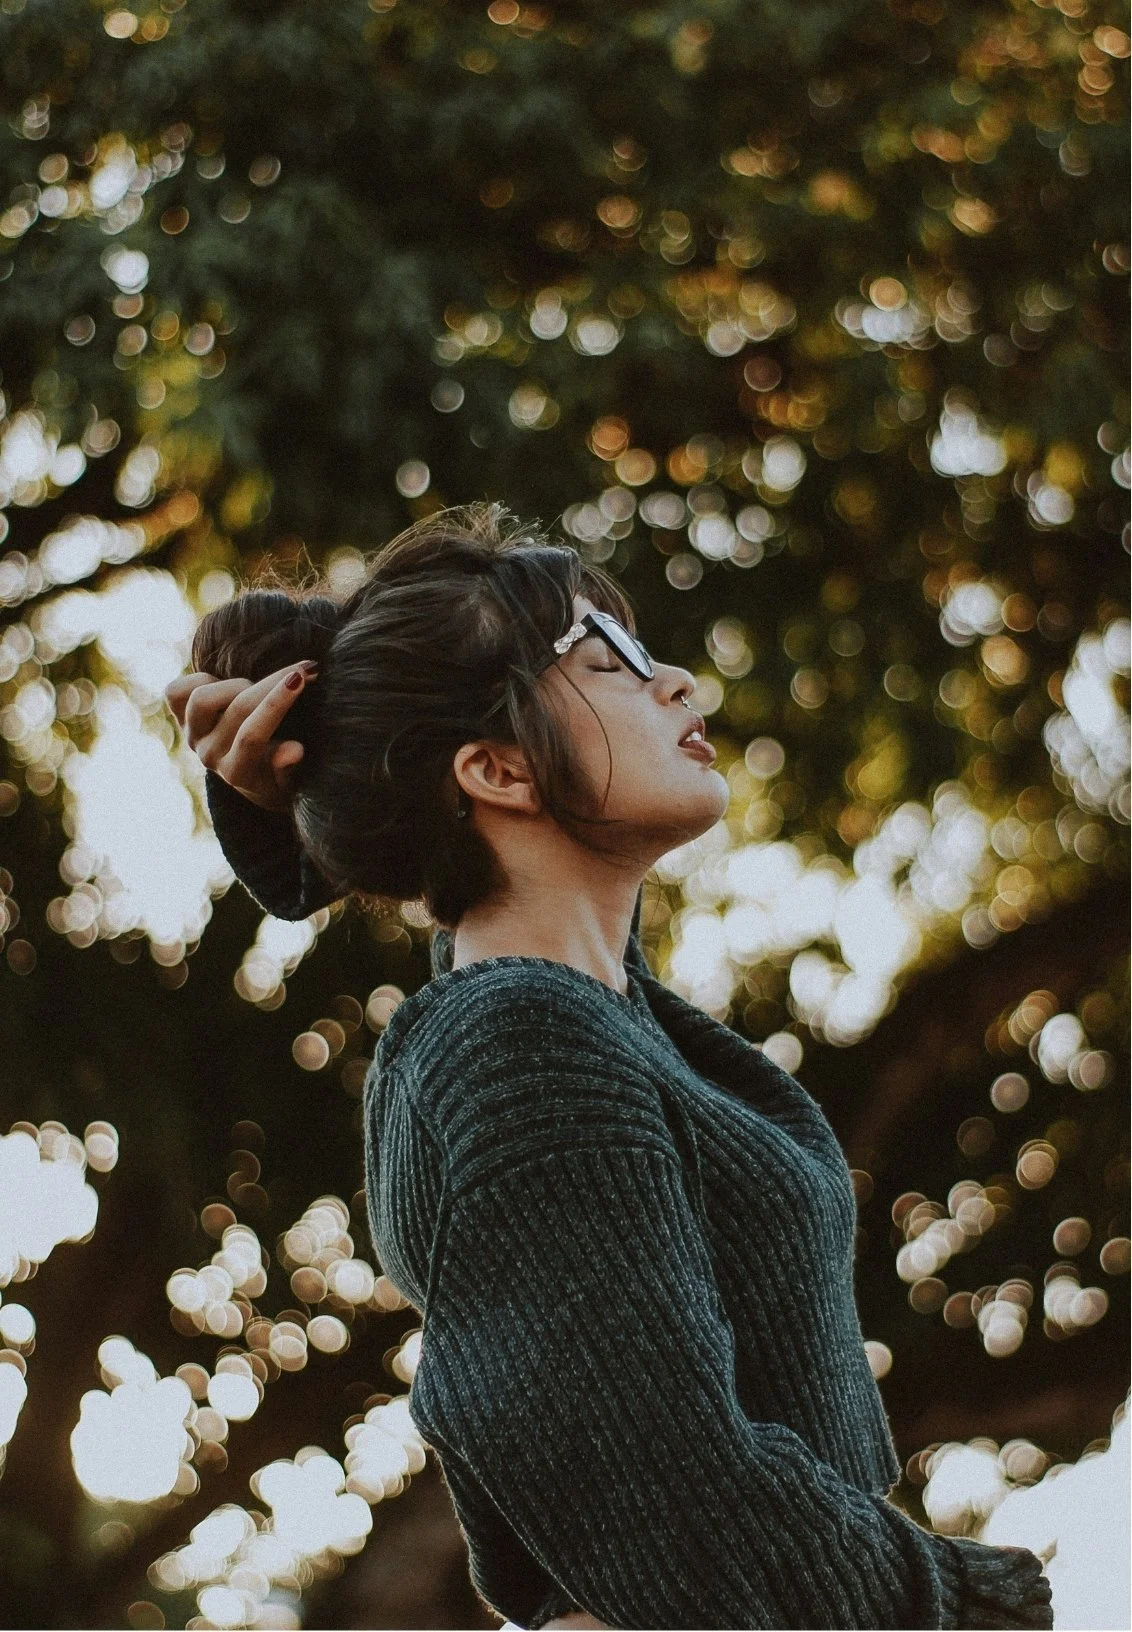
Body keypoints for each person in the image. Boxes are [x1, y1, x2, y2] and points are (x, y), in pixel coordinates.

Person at [166, 502, 1054, 1632]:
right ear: (494, 768)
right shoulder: (518, 1048)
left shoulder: (588, 1019)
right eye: (612, 661)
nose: (678, 681)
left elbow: (537, 928)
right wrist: (971, 1606)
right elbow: (682, 1494)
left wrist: (310, 826)